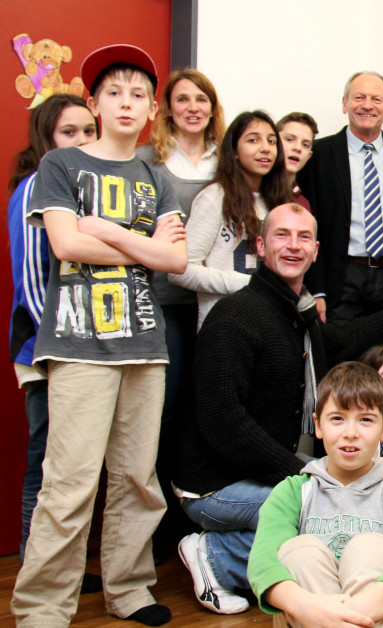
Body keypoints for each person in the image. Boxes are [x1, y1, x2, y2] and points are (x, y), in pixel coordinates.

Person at [174, 204, 383, 615]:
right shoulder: (235, 315)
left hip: (263, 472)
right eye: (281, 235)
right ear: (260, 245)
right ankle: (216, 555)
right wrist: (305, 476)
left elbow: (340, 340)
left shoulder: (296, 314)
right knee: (332, 508)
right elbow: (224, 423)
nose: (293, 245)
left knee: (353, 502)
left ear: (314, 251)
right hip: (214, 484)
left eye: (303, 238)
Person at [12, 44, 188, 628]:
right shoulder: (60, 167)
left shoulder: (154, 177)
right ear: (94, 101)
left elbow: (175, 261)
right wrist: (143, 246)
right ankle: (42, 606)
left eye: (139, 94)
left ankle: (130, 588)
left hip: (144, 344)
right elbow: (66, 244)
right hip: (78, 345)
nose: (126, 102)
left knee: (139, 479)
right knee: (69, 484)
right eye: (114, 92)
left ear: (150, 107)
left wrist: (107, 230)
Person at [247, 361, 383, 628]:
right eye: (337, 418)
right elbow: (262, 565)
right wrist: (312, 609)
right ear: (318, 425)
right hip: (311, 616)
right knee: (298, 552)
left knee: (371, 547)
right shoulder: (292, 491)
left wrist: (346, 616)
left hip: (380, 616)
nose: (350, 433)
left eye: (365, 420)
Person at [7, 94, 97, 574]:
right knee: (48, 467)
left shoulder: (89, 191)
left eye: (88, 131)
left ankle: (65, 568)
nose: (81, 141)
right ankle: (35, 570)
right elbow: (33, 287)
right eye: (69, 132)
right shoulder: (35, 189)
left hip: (88, 351)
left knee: (76, 469)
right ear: (47, 138)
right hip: (49, 353)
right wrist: (62, 354)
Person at [136, 68, 225, 555]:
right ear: (168, 107)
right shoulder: (149, 160)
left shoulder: (223, 162)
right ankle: (157, 524)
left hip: (212, 306)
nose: (192, 107)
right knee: (163, 414)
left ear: (212, 108)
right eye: (182, 99)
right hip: (163, 306)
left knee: (202, 410)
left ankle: (197, 513)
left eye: (201, 100)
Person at [296, 70, 383, 324]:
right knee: (341, 358)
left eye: (377, 99)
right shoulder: (319, 155)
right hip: (340, 280)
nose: (367, 105)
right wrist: (316, 289)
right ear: (345, 103)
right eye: (359, 97)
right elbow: (308, 226)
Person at [169, 110, 290, 328]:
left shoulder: (278, 202)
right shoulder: (215, 197)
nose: (265, 148)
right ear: (234, 151)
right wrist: (248, 283)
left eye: (272, 141)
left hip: (270, 324)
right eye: (253, 140)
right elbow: (180, 270)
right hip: (223, 326)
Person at [276, 111, 317, 211]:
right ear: (273, 142)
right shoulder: (253, 192)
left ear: (309, 156)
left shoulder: (303, 204)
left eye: (305, 145)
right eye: (289, 139)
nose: (298, 148)